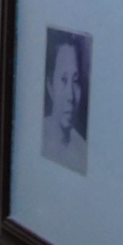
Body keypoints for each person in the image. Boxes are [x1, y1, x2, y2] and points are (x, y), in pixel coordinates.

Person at [41, 30, 90, 172]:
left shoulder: (83, 152)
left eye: (75, 81)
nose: (70, 96)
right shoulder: (36, 136)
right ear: (50, 86)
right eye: (63, 80)